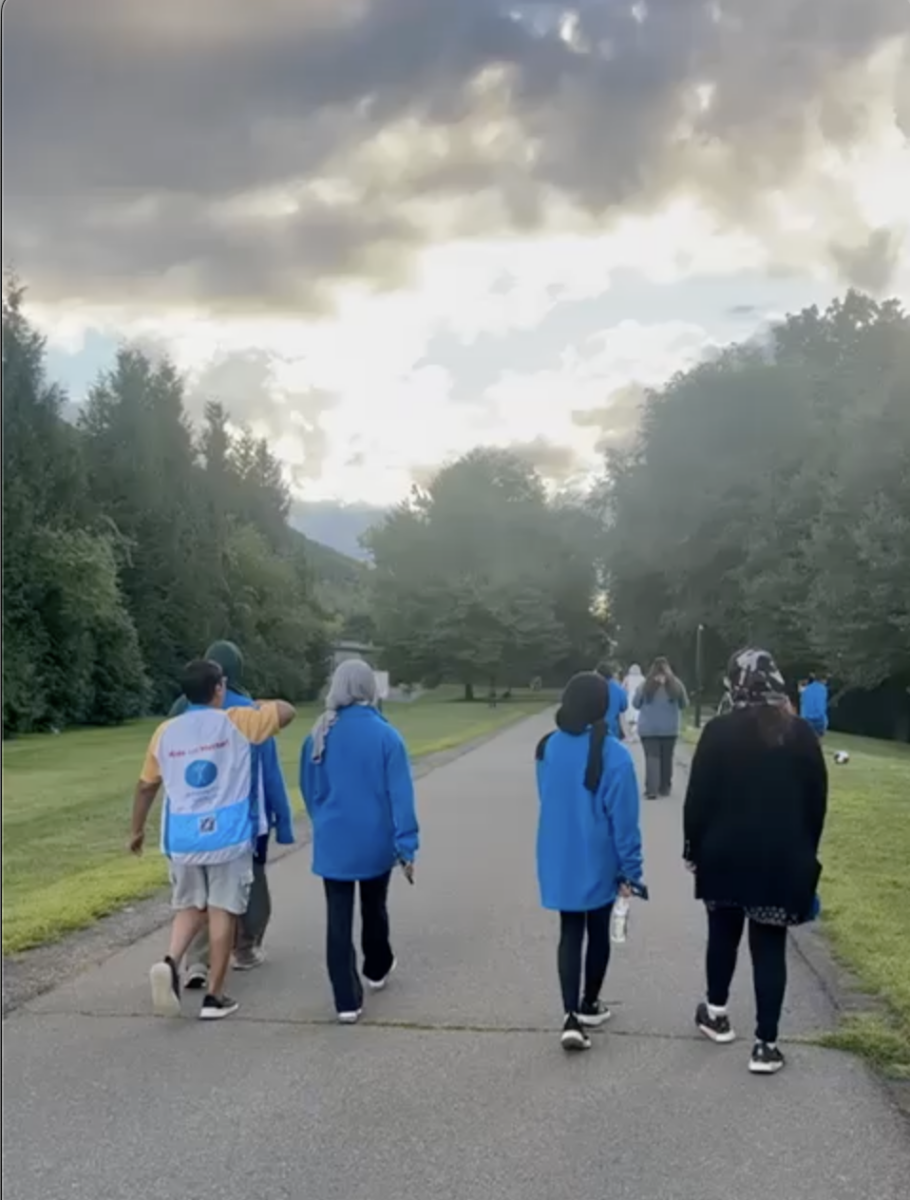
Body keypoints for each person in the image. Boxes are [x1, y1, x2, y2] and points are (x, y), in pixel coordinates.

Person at [683, 648, 828, 1074]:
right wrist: (807, 849)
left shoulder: (718, 732)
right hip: (780, 858)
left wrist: (692, 848)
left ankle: (717, 1012)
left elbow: (698, 799)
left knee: (722, 934)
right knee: (770, 946)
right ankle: (766, 1044)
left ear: (734, 682)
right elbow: (816, 800)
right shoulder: (799, 733)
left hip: (723, 853)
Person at [129, 659, 297, 1020]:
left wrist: (137, 830)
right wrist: (251, 703)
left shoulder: (165, 732)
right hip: (227, 833)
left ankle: (172, 961)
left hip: (183, 837)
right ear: (219, 688)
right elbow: (287, 711)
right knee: (223, 911)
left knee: (189, 907)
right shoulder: (237, 721)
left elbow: (146, 786)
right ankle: (215, 997)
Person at [300, 659, 419, 1024]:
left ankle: (345, 999)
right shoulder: (386, 736)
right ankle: (377, 965)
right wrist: (407, 844)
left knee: (337, 918)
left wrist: (322, 818)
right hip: (374, 838)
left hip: (334, 838)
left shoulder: (318, 734)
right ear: (369, 688)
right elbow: (401, 796)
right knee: (374, 906)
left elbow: (309, 789)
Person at [170, 641, 295, 985]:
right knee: (248, 887)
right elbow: (270, 773)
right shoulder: (249, 712)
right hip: (243, 819)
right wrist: (283, 820)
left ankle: (197, 962)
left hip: (189, 818)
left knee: (198, 894)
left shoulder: (180, 713)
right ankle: (244, 947)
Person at [535, 672, 644, 1052]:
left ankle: (569, 1014)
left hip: (559, 851)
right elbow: (625, 822)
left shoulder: (548, 747)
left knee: (569, 931)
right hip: (598, 855)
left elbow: (544, 794)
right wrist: (632, 870)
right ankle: (590, 1003)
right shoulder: (615, 755)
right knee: (598, 930)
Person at [633, 657, 689, 798]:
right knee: (666, 757)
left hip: (649, 728)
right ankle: (665, 787)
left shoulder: (645, 685)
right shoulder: (676, 685)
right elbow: (684, 704)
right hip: (669, 728)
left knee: (652, 757)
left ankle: (652, 789)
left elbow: (635, 704)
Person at [596, 661, 629, 740]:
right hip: (613, 728)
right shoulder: (618, 689)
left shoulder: (593, 687)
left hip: (595, 727)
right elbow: (624, 706)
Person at [800, 672, 829, 738]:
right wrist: (825, 720)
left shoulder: (806, 688)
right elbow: (820, 706)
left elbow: (803, 702)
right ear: (823, 680)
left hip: (805, 718)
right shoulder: (823, 689)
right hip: (818, 719)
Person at [622, 664, 645, 739]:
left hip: (629, 697)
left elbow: (623, 688)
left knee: (630, 717)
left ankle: (631, 735)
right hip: (638, 697)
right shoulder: (642, 678)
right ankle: (635, 732)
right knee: (637, 716)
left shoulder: (627, 678)